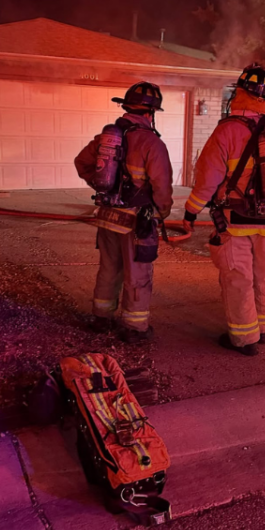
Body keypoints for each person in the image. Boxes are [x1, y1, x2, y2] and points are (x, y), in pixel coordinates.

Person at [182, 64, 265, 356]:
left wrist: (190, 211)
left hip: (235, 221)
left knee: (238, 279)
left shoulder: (227, 132)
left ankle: (246, 339)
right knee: (264, 276)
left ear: (240, 94)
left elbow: (207, 178)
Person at [74, 82, 174, 344]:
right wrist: (162, 211)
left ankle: (101, 318)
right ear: (150, 113)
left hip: (107, 216)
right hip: (135, 221)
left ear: (127, 107)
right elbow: (162, 186)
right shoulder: (152, 143)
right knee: (137, 273)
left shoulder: (107, 138)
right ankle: (134, 327)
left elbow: (81, 162)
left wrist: (99, 185)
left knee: (108, 268)